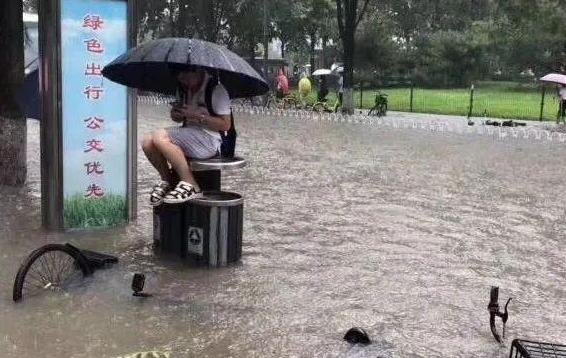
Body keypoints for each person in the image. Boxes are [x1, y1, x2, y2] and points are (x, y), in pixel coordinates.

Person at [142, 68, 231, 206]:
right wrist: (177, 114)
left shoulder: (216, 90)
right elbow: (177, 118)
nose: (184, 81)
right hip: (188, 134)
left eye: (186, 75)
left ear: (198, 71)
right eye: (180, 77)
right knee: (148, 141)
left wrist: (196, 115)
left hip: (209, 140)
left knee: (160, 136)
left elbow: (226, 125)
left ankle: (191, 185)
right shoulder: (182, 89)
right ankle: (168, 181)